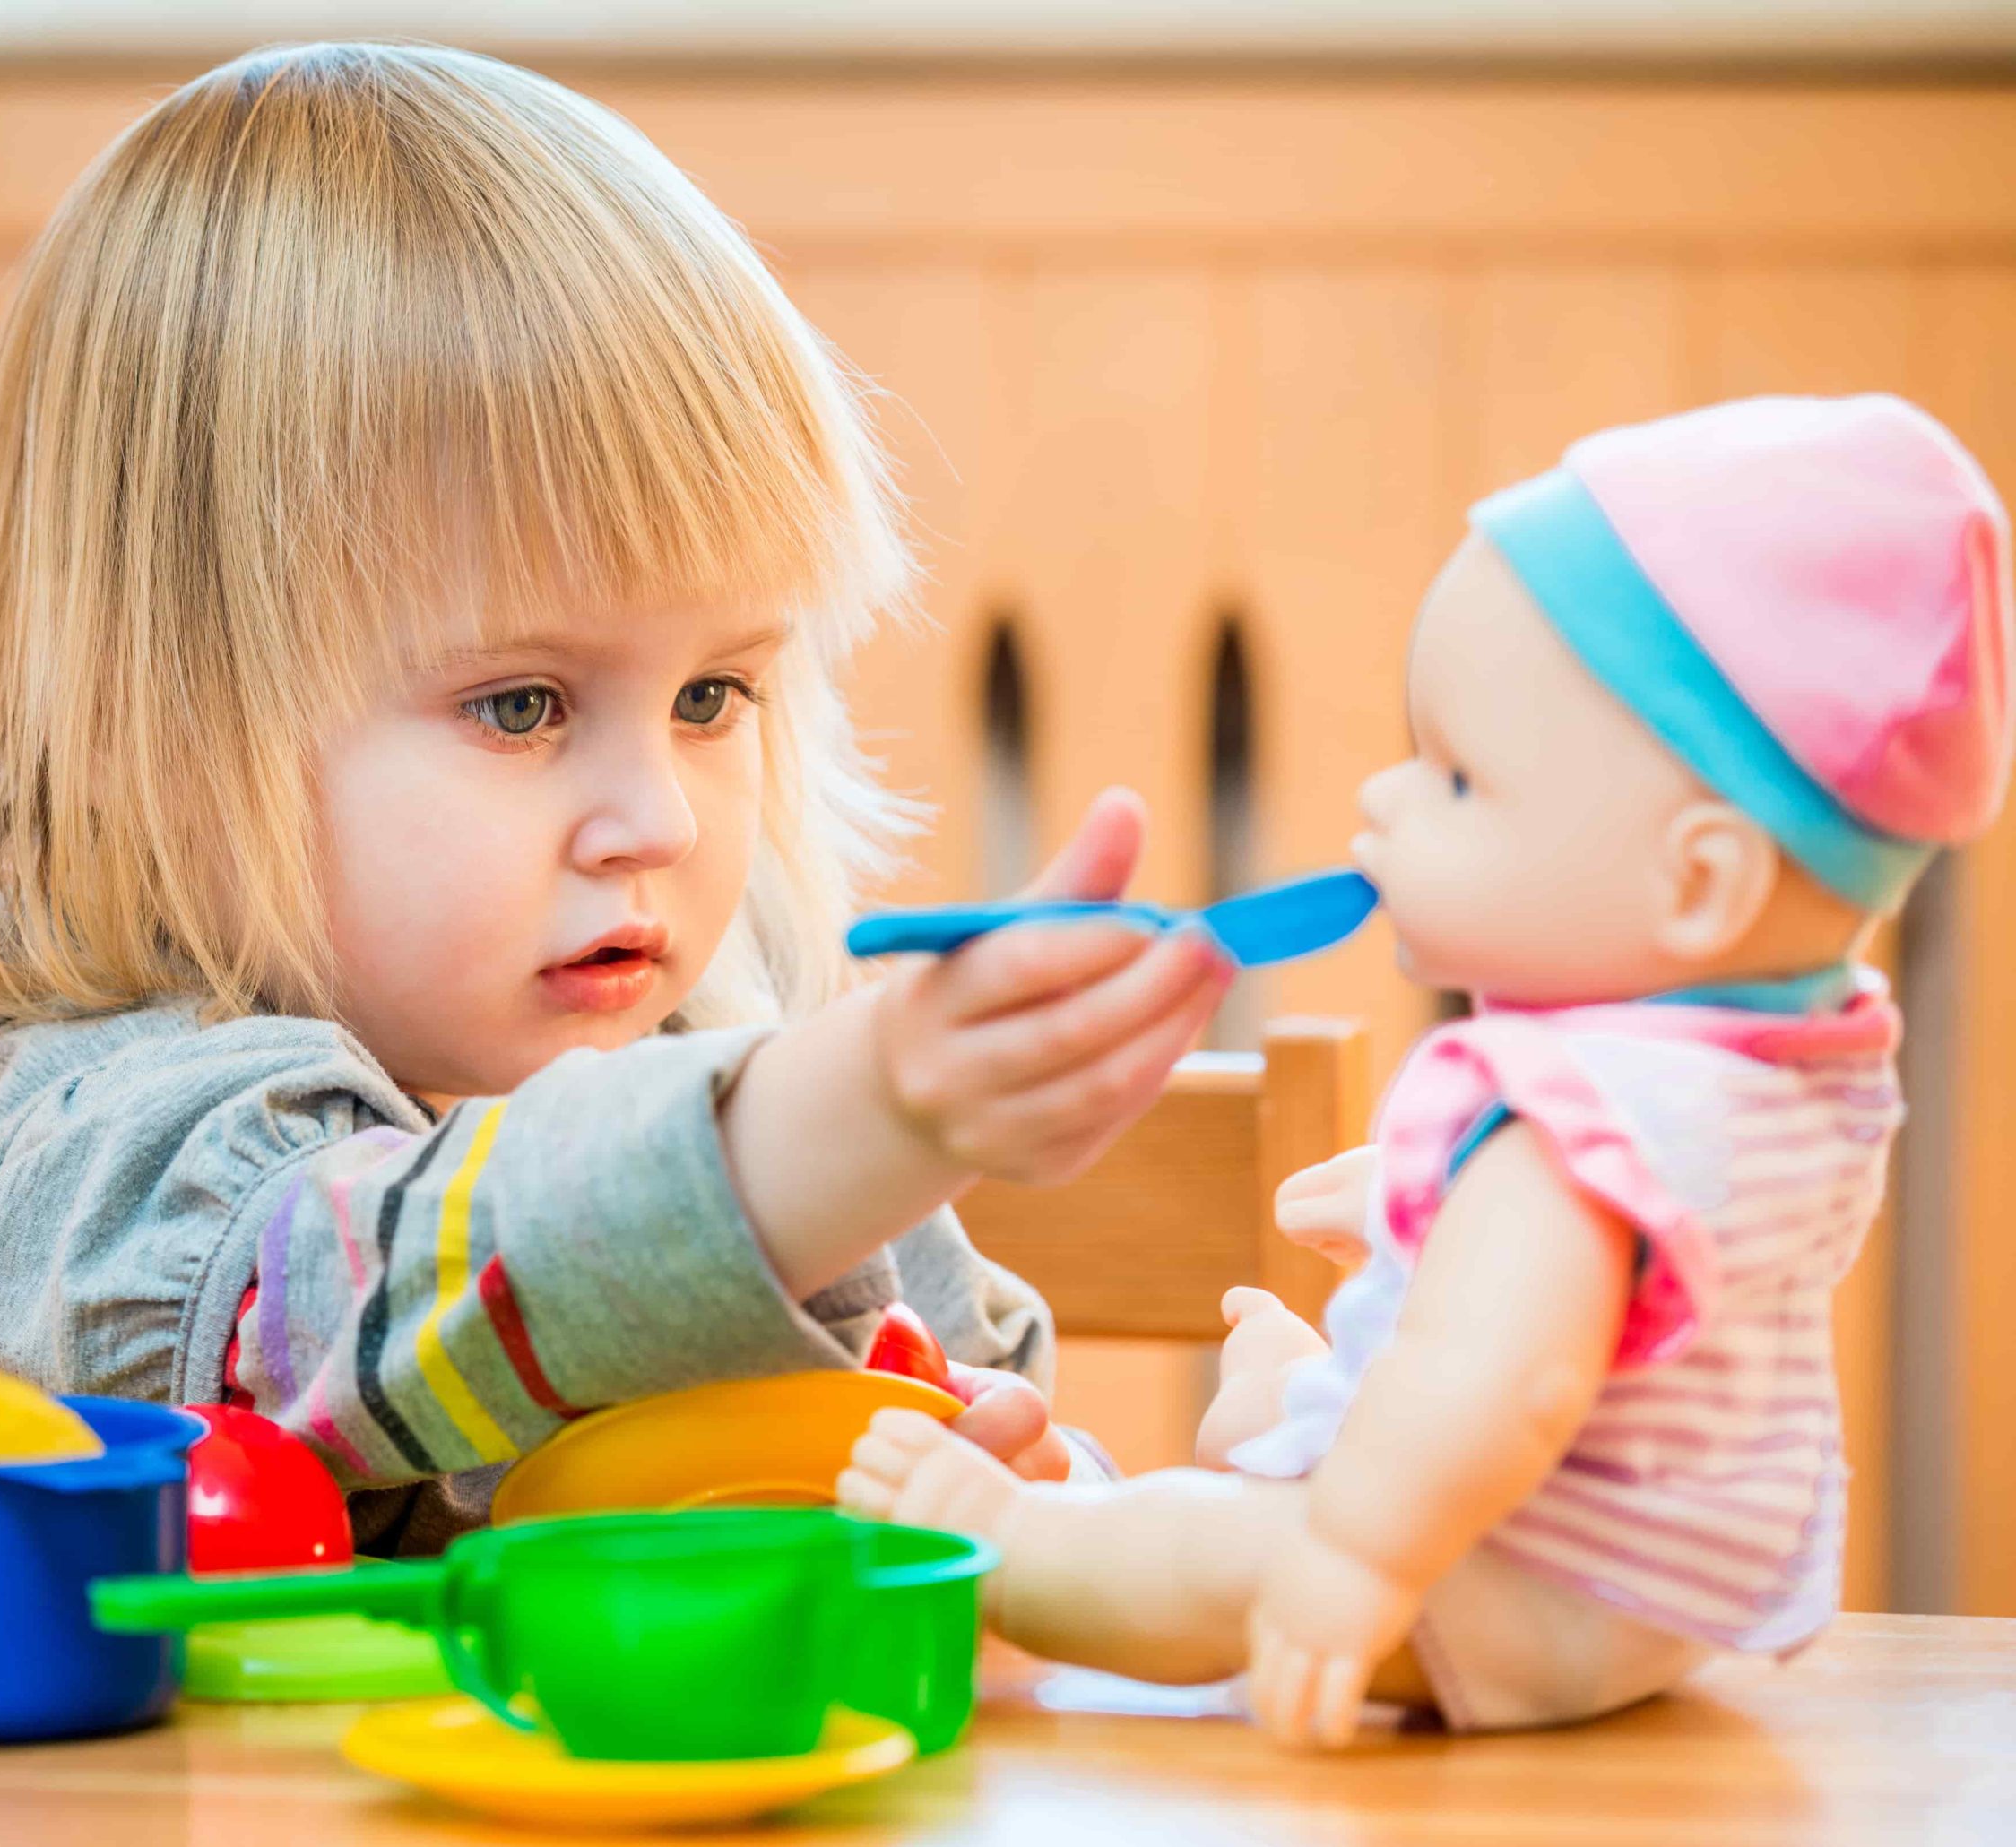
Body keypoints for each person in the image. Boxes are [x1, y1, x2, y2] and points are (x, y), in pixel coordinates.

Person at [0, 44, 1231, 1553]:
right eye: (522, 705)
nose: (666, 819)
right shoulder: (89, 1127)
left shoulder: (725, 1040)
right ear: (144, 724)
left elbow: (992, 1433)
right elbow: (348, 1315)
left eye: (714, 695)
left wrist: (1037, 1508)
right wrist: (845, 1114)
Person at [843, 393, 2011, 1742]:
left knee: (1207, 1543)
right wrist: (1429, 1216)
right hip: (1649, 1591)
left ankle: (1012, 1547)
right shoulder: (1791, 1067)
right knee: (1338, 1418)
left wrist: (1346, 1562)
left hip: (1493, 1578)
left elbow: (1502, 1379)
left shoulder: (1563, 1128)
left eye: (1459, 780)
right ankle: (1295, 1410)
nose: (1385, 803)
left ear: (1698, 880)